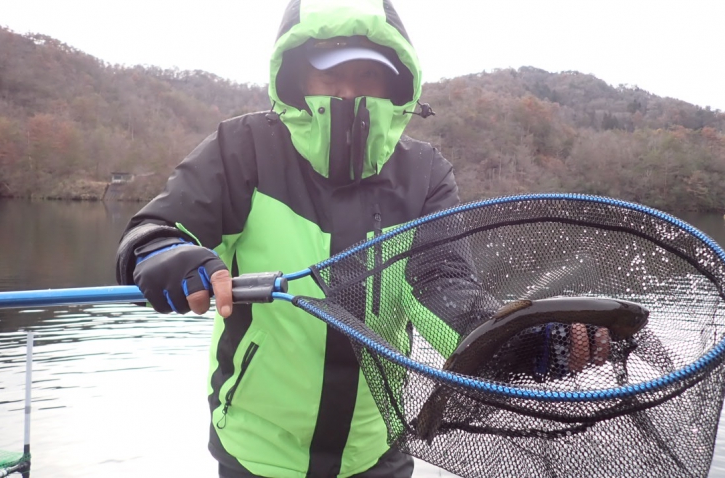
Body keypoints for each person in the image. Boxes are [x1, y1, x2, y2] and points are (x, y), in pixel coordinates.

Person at [115, 1, 611, 476]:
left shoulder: (426, 173)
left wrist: (514, 341)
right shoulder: (241, 148)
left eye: (368, 74)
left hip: (376, 451)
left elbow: (443, 287)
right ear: (297, 75)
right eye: (330, 73)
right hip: (255, 453)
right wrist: (165, 253)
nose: (349, 91)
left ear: (397, 83)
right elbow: (158, 229)